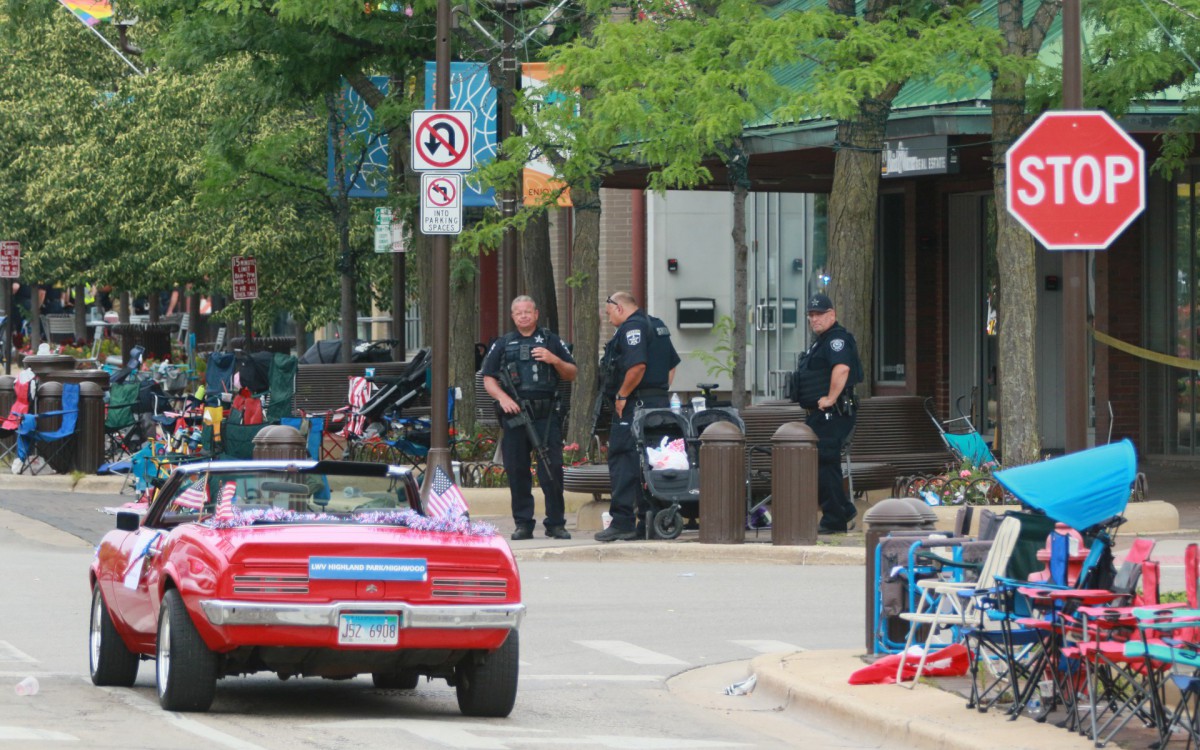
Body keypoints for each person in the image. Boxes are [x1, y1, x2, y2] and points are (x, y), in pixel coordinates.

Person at [481, 296, 577, 541]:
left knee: (552, 469)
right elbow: (488, 377)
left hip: (546, 417)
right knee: (517, 471)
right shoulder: (503, 344)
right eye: (518, 312)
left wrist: (554, 359)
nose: (523, 316)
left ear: (536, 314)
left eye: (527, 311)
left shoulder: (551, 340)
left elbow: (571, 373)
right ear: (513, 317)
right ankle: (523, 524)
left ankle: (556, 523)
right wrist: (503, 398)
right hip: (515, 416)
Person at [596, 291, 680, 542]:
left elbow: (637, 366)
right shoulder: (656, 325)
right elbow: (672, 364)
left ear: (619, 308)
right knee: (653, 461)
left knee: (623, 460)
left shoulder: (632, 329)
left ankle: (622, 522)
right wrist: (659, 392)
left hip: (634, 405)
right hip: (657, 406)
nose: (608, 318)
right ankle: (650, 520)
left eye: (609, 312)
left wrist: (623, 395)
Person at [792, 292, 862, 534]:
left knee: (825, 462)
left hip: (833, 412)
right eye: (811, 315)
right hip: (820, 414)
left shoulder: (836, 340)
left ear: (832, 314)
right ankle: (842, 509)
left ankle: (834, 519)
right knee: (823, 463)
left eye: (819, 314)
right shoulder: (820, 341)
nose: (814, 319)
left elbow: (842, 369)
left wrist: (831, 398)